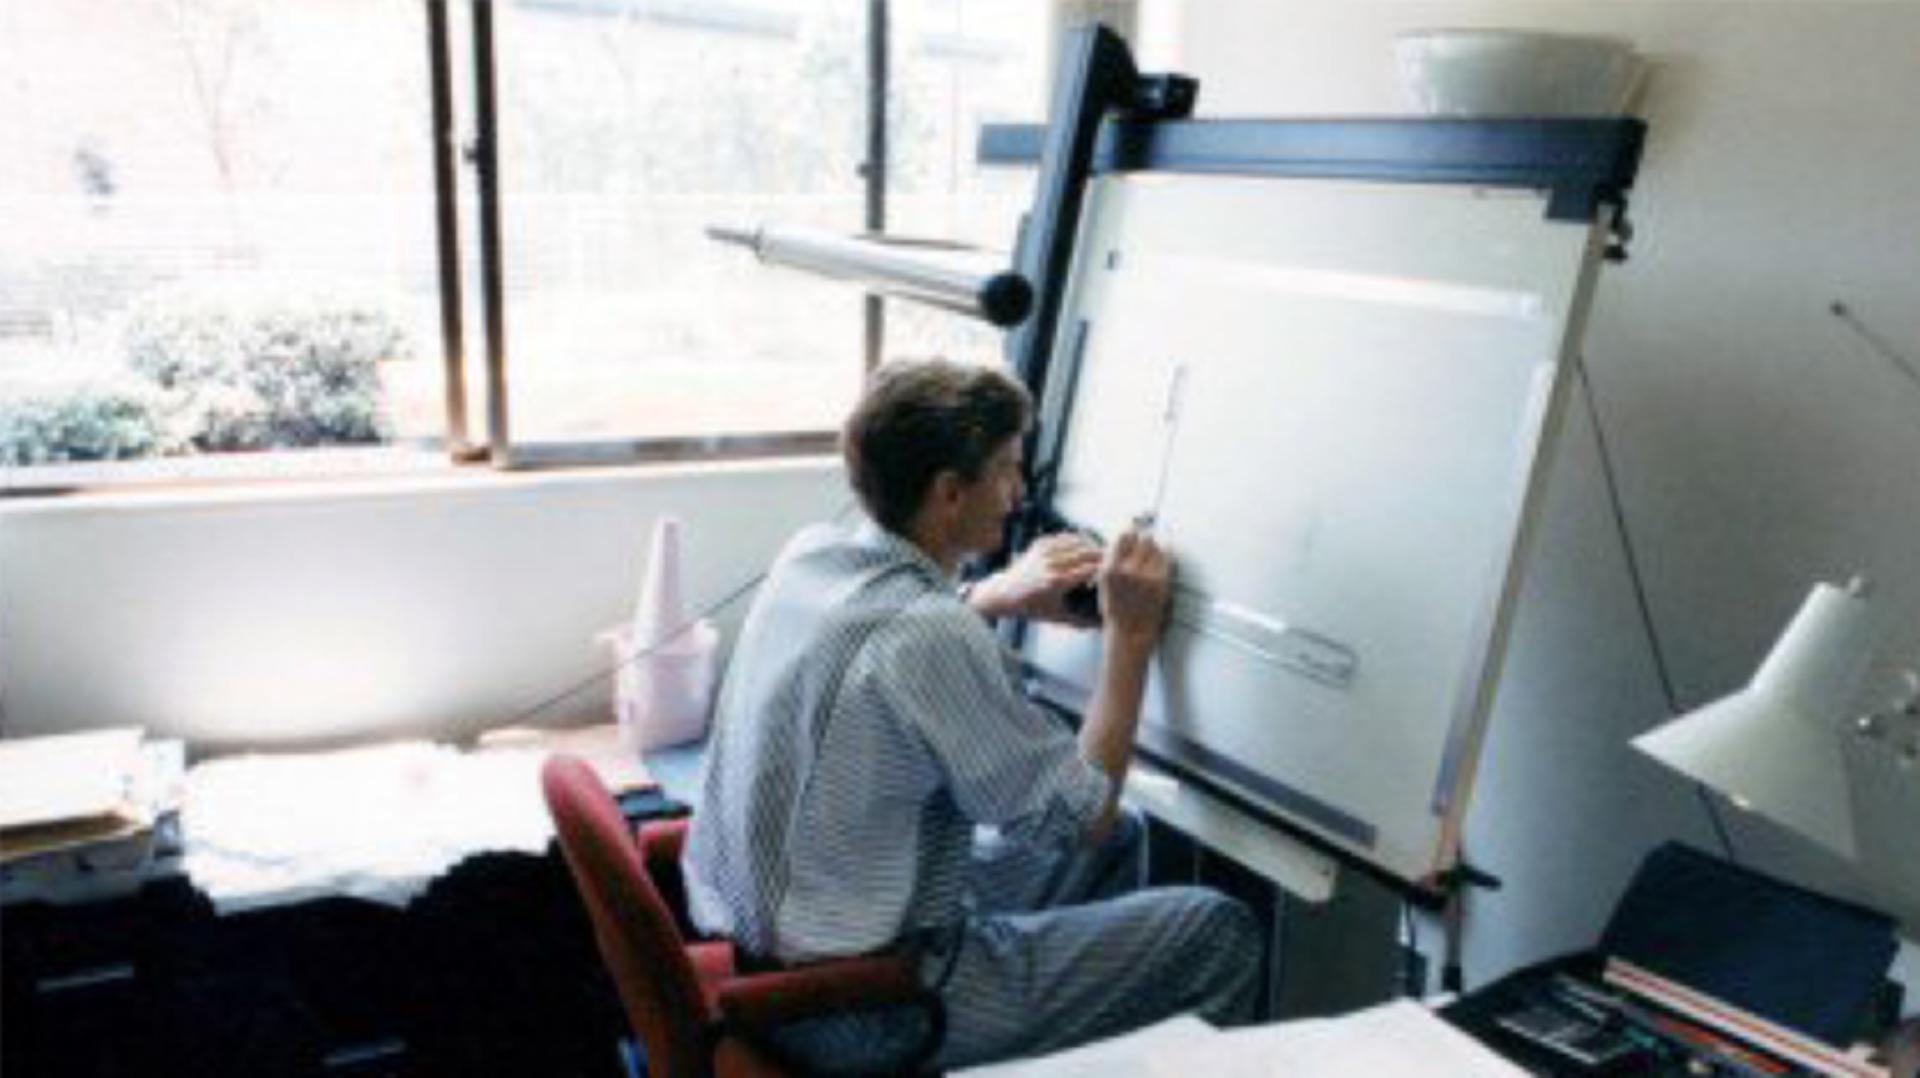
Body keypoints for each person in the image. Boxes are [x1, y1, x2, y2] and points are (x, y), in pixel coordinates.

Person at [682, 358, 1261, 1072]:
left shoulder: (812, 554)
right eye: (1008, 472)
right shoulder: (929, 635)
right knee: (1217, 930)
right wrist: (1131, 637)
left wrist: (993, 596)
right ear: (950, 493)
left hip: (773, 962)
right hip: (860, 1012)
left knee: (1124, 841)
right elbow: (1081, 816)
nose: (1019, 495)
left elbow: (880, 644)